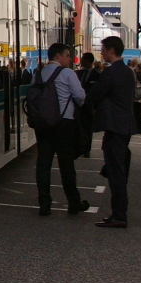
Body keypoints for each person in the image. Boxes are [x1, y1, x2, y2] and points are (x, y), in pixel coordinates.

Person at [86, 35, 136, 229]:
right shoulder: (127, 71)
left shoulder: (111, 73)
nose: (102, 52)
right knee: (117, 169)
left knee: (116, 173)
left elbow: (95, 94)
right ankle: (118, 213)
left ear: (112, 51)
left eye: (104, 49)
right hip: (124, 125)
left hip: (114, 125)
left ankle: (119, 214)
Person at [34, 43, 90, 217]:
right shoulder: (67, 73)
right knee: (66, 165)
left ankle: (44, 204)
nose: (69, 58)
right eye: (67, 55)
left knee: (43, 165)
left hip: (43, 125)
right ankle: (73, 202)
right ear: (58, 56)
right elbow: (80, 96)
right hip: (64, 124)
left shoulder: (38, 74)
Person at [76, 52, 101, 158]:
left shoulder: (97, 75)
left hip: (89, 106)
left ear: (87, 61)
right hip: (78, 105)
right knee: (79, 126)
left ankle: (87, 149)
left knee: (88, 128)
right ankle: (80, 147)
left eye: (82, 59)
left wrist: (95, 107)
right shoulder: (78, 73)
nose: (81, 61)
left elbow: (99, 92)